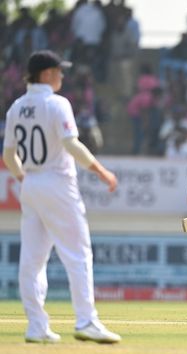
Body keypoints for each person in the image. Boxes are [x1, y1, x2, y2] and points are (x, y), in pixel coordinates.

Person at [2, 50, 121, 343]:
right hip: (57, 181)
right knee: (78, 253)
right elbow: (71, 144)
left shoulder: (16, 107)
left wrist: (22, 178)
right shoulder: (57, 104)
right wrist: (102, 171)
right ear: (46, 74)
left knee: (32, 260)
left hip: (30, 183)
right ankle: (86, 321)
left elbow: (7, 154)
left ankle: (36, 326)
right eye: (58, 71)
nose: (62, 76)